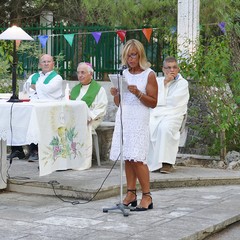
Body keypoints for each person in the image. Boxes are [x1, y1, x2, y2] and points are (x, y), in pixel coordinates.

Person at [109, 39, 158, 211]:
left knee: (138, 158)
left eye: (134, 55)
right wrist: (116, 93)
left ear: (140, 55)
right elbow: (118, 103)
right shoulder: (124, 74)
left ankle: (147, 196)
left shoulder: (149, 74)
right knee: (127, 157)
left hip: (139, 119)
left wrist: (138, 93)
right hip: (124, 119)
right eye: (128, 56)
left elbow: (153, 102)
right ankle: (131, 193)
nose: (130, 59)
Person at [7, 54, 63, 161]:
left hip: (48, 108)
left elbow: (48, 90)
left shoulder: (57, 78)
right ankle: (17, 149)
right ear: (39, 64)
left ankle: (35, 150)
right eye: (43, 62)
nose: (46, 64)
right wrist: (37, 88)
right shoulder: (34, 76)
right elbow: (26, 88)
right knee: (16, 115)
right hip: (33, 104)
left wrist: (36, 87)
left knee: (34, 120)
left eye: (48, 61)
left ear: (53, 64)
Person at [147, 56, 190, 174]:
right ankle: (153, 162)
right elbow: (154, 99)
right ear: (163, 69)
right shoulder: (158, 81)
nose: (172, 70)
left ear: (178, 69)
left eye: (174, 67)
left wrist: (161, 102)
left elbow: (174, 102)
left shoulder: (183, 83)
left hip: (174, 115)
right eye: (168, 67)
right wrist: (165, 83)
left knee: (164, 128)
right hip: (157, 113)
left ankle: (167, 163)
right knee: (148, 125)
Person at [70, 62, 108, 131]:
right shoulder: (75, 89)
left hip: (91, 121)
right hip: (75, 119)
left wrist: (89, 117)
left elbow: (101, 108)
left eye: (82, 72)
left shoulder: (99, 90)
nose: (80, 75)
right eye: (78, 73)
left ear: (91, 74)